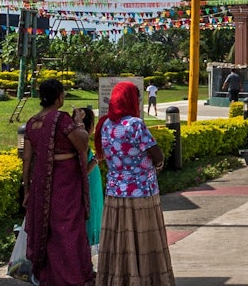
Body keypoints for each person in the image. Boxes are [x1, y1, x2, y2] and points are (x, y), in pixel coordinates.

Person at [95, 81, 175, 286]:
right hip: (141, 193)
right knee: (143, 241)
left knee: (119, 241)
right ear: (130, 100)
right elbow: (156, 153)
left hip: (115, 193)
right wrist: (159, 164)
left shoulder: (105, 124)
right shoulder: (134, 124)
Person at [21, 78, 93, 286]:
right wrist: (79, 120)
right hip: (65, 182)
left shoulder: (32, 122)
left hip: (41, 184)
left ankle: (49, 276)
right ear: (59, 97)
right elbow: (82, 144)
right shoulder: (61, 120)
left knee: (48, 230)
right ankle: (72, 277)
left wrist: (27, 189)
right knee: (68, 228)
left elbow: (27, 159)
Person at [72, 106, 104, 249]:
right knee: (90, 219)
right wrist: (97, 159)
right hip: (89, 187)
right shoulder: (82, 142)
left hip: (92, 186)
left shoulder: (76, 139)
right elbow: (84, 169)